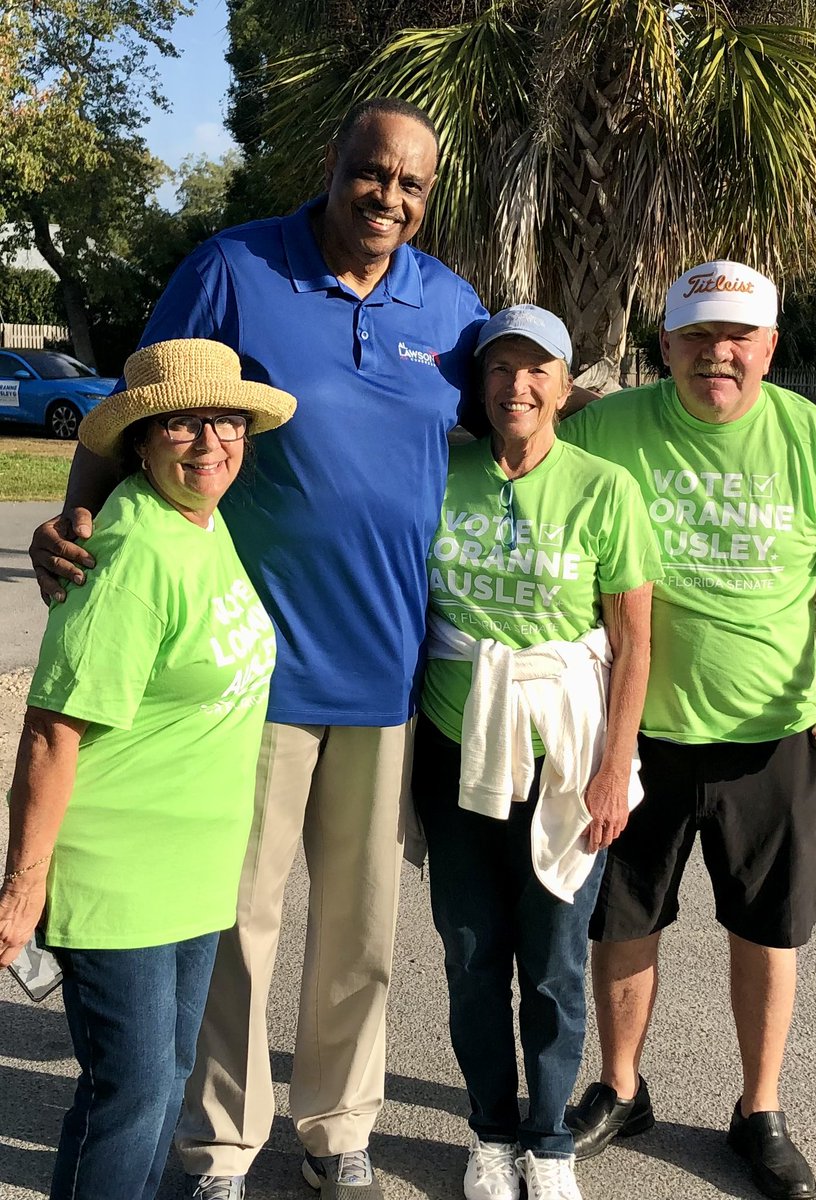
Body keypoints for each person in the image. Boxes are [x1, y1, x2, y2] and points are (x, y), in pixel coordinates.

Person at [28, 97, 488, 1200]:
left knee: (362, 930)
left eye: (412, 184)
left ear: (430, 197)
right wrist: (78, 512)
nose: (389, 197)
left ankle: (339, 1125)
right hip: (253, 672)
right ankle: (222, 1141)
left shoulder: (453, 304)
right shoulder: (235, 266)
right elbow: (148, 396)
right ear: (334, 164)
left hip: (389, 667)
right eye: (372, 172)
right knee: (239, 921)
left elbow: (513, 425)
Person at [559, 261, 816, 1200]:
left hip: (772, 737)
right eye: (698, 337)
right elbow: (523, 456)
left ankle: (760, 1109)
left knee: (766, 928)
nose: (720, 355)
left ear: (770, 347)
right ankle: (622, 1088)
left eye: (739, 337)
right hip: (636, 734)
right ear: (664, 346)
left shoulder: (814, 440)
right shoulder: (608, 431)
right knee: (623, 921)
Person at [0, 338, 295, 1200]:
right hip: (119, 873)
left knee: (163, 1082)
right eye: (183, 423)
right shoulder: (130, 550)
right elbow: (53, 729)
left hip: (191, 872)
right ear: (140, 439)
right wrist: (23, 887)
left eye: (227, 419)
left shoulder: (201, 521)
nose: (211, 441)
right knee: (130, 1095)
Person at [412, 306, 662, 1200]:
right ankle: (490, 1129)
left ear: (563, 385)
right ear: (479, 386)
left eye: (535, 370)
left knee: (554, 958)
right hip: (457, 748)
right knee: (472, 952)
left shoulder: (604, 488)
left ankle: (548, 1140)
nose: (516, 386)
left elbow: (632, 641)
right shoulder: (442, 471)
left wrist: (611, 769)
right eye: (498, 370)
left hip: (568, 757)